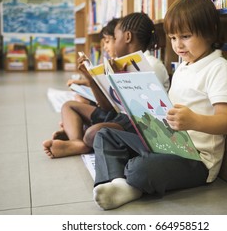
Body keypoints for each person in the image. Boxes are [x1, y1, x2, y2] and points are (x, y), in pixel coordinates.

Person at [92, 0, 227, 210]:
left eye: (186, 36)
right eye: (172, 38)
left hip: (196, 159)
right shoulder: (182, 66)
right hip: (166, 143)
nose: (178, 45)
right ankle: (117, 183)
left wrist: (193, 121)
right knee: (105, 135)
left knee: (140, 168)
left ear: (210, 31)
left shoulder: (220, 68)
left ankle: (129, 183)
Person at [42, 13, 170, 158]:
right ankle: (77, 142)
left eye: (114, 38)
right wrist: (91, 79)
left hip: (139, 124)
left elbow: (145, 111)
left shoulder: (151, 65)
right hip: (119, 116)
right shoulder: (120, 63)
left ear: (127, 37)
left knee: (93, 133)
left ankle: (82, 140)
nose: (113, 44)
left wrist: (120, 79)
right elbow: (107, 108)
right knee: (69, 106)